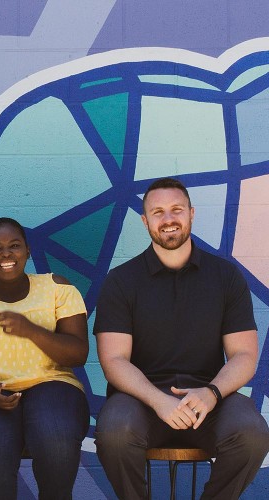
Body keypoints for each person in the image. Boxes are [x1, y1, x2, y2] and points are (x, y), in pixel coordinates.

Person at [94, 177, 269, 499]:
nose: (169, 219)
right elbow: (114, 360)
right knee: (114, 432)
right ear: (145, 221)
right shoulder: (121, 280)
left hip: (209, 397)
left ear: (191, 213)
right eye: (158, 212)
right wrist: (159, 400)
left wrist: (212, 393)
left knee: (252, 433)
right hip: (142, 400)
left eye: (176, 210)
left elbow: (245, 355)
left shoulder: (225, 276)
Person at [0, 217, 89, 500]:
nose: (6, 254)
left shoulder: (58, 288)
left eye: (14, 246)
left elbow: (78, 354)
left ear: (28, 251)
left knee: (56, 439)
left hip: (52, 384)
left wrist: (32, 331)